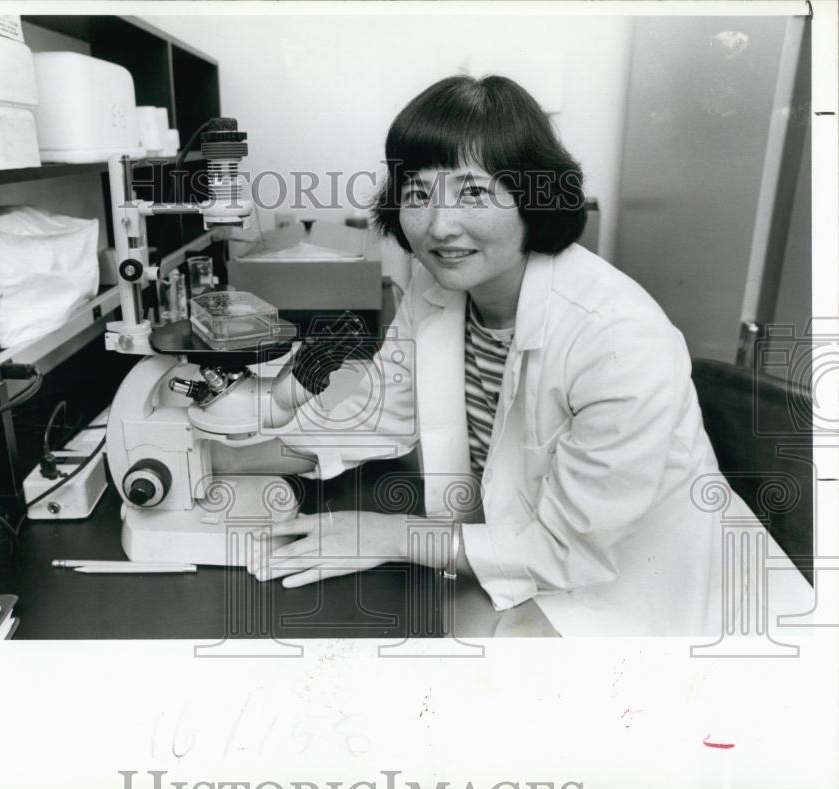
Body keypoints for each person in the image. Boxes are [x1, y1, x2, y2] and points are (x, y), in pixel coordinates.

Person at [216, 74, 812, 636]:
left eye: (473, 192)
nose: (440, 225)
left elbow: (567, 549)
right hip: (519, 549)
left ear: (535, 200)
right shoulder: (440, 290)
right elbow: (380, 411)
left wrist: (387, 533)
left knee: (474, 679)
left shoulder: (618, 339)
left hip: (646, 588)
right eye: (418, 193)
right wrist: (224, 456)